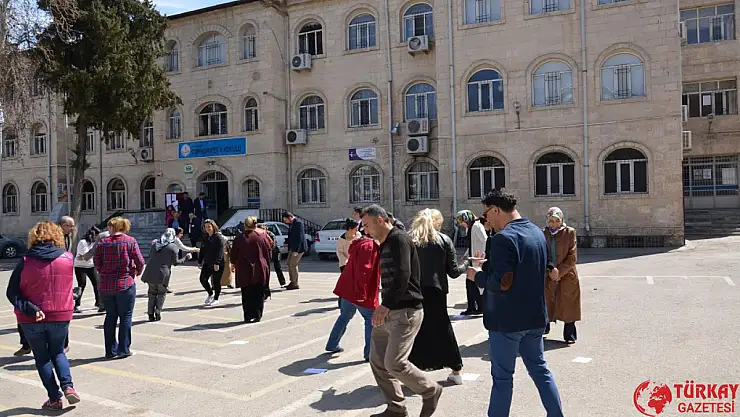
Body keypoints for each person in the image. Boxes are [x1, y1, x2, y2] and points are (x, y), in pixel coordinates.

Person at [467, 189, 563, 417]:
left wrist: (476, 275)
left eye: (486, 213)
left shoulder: (503, 238)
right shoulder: (537, 232)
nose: (486, 219)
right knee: (540, 371)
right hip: (535, 317)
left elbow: (501, 283)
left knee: (502, 379)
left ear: (496, 210)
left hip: (507, 321)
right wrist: (488, 264)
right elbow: (527, 267)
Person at [362, 204, 442, 417]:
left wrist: (385, 305)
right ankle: (396, 408)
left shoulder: (399, 239)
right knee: (378, 361)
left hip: (404, 311)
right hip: (388, 312)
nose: (365, 230)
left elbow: (403, 275)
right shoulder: (385, 242)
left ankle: (430, 390)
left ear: (380, 220)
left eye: (367, 225)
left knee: (394, 363)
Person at [6, 221, 81, 410]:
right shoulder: (68, 258)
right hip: (60, 314)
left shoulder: (26, 261)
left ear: (34, 236)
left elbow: (12, 292)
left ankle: (54, 398)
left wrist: (30, 308)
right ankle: (68, 386)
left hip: (32, 317)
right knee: (58, 352)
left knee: (42, 358)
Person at [408, 209, 467, 385]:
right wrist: (467, 263)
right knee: (442, 329)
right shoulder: (444, 240)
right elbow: (454, 272)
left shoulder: (410, 240)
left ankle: (413, 372)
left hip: (415, 291)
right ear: (437, 223)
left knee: (415, 331)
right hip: (437, 290)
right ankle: (456, 369)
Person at [326, 223, 380, 361]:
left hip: (348, 288)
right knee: (370, 319)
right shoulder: (369, 246)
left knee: (344, 316)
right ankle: (369, 353)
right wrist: (361, 293)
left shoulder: (360, 243)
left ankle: (332, 344)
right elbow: (364, 271)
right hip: (359, 291)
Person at [95, 217, 145, 360]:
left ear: (113, 228)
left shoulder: (103, 243)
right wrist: (136, 272)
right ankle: (123, 349)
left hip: (106, 285)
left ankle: (110, 350)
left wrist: (104, 272)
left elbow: (97, 262)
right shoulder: (130, 241)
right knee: (125, 317)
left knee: (110, 316)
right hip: (125, 283)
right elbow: (140, 261)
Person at [542, 207, 581, 344]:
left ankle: (569, 335)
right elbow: (541, 253)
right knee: (547, 301)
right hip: (548, 273)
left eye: (557, 221)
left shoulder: (569, 232)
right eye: (551, 221)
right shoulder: (543, 233)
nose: (554, 224)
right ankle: (543, 328)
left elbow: (572, 256)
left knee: (568, 304)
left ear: (562, 220)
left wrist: (560, 272)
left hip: (567, 274)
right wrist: (550, 270)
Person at [142, 228, 191, 322]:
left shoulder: (155, 244)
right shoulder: (173, 247)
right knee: (161, 293)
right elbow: (176, 262)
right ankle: (158, 312)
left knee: (152, 294)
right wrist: (186, 257)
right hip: (163, 274)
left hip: (150, 272)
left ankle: (150, 314)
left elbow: (151, 255)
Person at [230, 217, 273, 322]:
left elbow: (234, 253)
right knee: (258, 292)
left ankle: (248, 316)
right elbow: (269, 248)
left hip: (244, 268)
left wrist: (233, 264)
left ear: (244, 225)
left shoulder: (239, 238)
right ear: (255, 225)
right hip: (260, 267)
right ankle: (257, 315)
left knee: (246, 293)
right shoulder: (262, 236)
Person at [456, 209, 488, 316]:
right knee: (472, 285)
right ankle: (474, 307)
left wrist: (481, 256)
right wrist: (466, 255)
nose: (461, 224)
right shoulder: (471, 227)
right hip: (473, 259)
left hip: (477, 259)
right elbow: (471, 244)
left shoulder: (477, 226)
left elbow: (484, 240)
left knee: (474, 285)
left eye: (462, 221)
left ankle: (476, 308)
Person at [74, 226, 103, 313]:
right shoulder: (83, 242)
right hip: (80, 266)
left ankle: (99, 303)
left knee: (97, 284)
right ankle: (76, 305)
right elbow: (84, 256)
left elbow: (87, 256)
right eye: (97, 235)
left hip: (91, 266)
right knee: (82, 284)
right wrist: (93, 252)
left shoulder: (95, 242)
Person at [198, 219, 226, 306]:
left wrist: (217, 263)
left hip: (217, 263)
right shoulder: (205, 237)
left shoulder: (218, 238)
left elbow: (220, 252)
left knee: (216, 281)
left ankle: (216, 298)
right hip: (207, 262)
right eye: (206, 227)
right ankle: (210, 293)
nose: (207, 229)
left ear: (213, 227)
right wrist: (200, 261)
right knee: (202, 279)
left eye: (209, 226)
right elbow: (202, 249)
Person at [282, 212, 307, 290]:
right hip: (293, 247)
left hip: (298, 249)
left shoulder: (298, 223)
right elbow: (291, 236)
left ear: (290, 217)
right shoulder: (292, 224)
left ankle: (295, 283)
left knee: (293, 264)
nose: (285, 221)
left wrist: (296, 250)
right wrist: (287, 242)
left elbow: (299, 237)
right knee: (289, 263)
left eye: (285, 220)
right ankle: (292, 281)